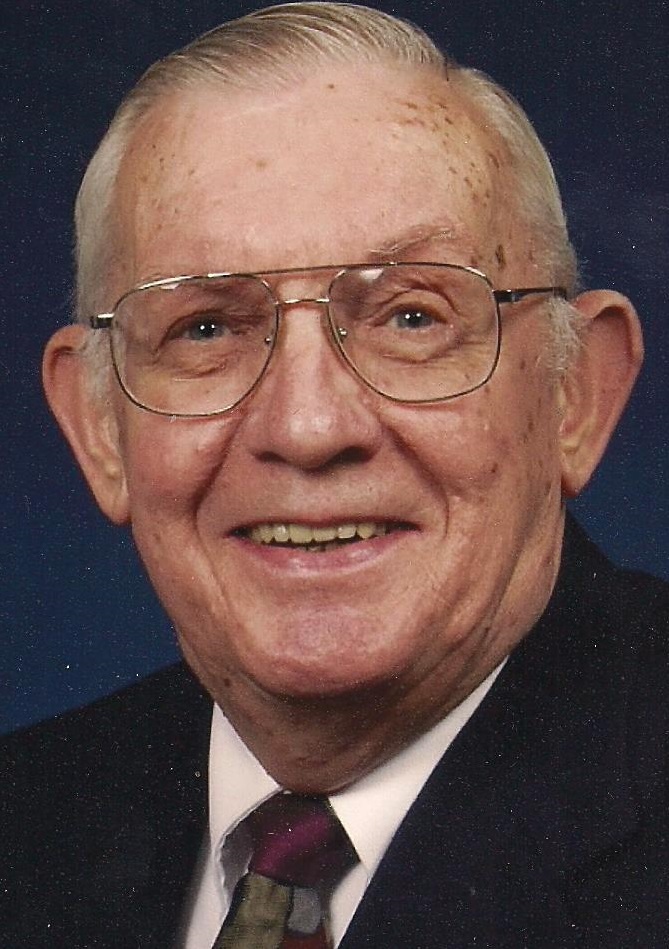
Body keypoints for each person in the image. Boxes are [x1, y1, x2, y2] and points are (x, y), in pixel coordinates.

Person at [3, 3, 668, 947]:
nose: (308, 427)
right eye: (205, 328)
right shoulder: (25, 821)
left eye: (411, 317)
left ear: (575, 397)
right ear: (99, 429)